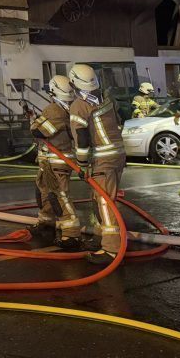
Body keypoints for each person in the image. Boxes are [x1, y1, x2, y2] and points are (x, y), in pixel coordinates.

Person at [67, 62, 126, 265]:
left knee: (104, 201)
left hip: (103, 159)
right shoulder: (107, 98)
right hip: (118, 154)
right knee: (99, 197)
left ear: (73, 83)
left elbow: (82, 140)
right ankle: (100, 236)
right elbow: (120, 119)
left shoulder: (79, 106)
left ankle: (111, 249)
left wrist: (82, 165)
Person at [29, 75, 82, 249]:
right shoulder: (71, 108)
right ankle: (46, 223)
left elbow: (39, 132)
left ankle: (71, 234)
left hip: (55, 162)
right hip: (53, 162)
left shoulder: (54, 110)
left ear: (53, 91)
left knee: (59, 196)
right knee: (45, 193)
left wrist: (34, 121)